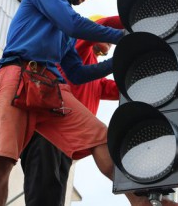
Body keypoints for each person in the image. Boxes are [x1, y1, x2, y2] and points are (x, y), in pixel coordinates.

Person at [0, 0, 178, 206]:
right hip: (18, 77)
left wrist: (122, 60)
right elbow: (74, 24)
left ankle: (141, 202)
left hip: (50, 89)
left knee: (101, 138)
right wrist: (125, 36)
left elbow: (77, 73)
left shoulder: (63, 34)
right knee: (3, 161)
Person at [20, 15, 123, 206]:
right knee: (43, 195)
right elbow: (103, 25)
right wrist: (134, 20)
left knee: (54, 197)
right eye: (105, 36)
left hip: (68, 144)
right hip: (48, 133)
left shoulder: (97, 76)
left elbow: (121, 88)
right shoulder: (79, 48)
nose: (110, 39)